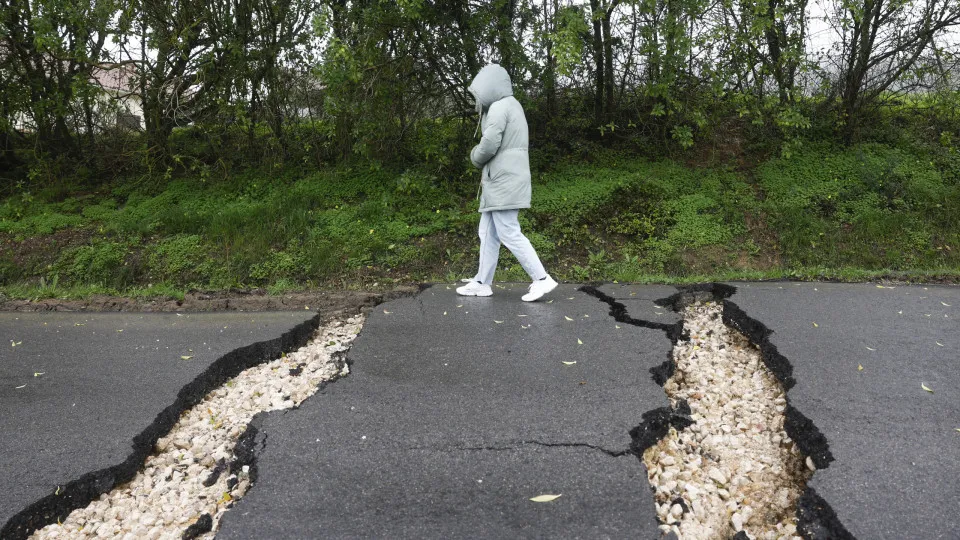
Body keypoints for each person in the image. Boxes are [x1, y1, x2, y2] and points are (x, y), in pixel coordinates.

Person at [456, 64, 558, 302]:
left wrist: (474, 156)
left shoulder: (500, 107)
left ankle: (542, 278)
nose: (477, 99)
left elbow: (489, 144)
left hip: (503, 181)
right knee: (487, 232)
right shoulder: (511, 104)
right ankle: (482, 283)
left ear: (488, 87)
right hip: (501, 181)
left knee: (509, 232)